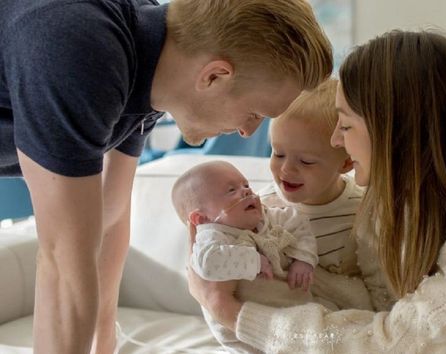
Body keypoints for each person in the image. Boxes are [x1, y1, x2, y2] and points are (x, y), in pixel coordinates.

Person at [187, 30, 446, 353]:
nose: (334, 141)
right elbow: (378, 307)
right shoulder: (405, 199)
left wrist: (234, 312)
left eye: (345, 125)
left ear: (392, 130)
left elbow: (399, 342)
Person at [0, 0, 332, 352]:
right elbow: (64, 265)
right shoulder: (83, 51)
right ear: (215, 76)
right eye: (254, 112)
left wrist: (103, 345)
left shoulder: (150, 63)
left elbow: (108, 221)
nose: (249, 132)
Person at [259, 78, 393, 311]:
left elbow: (376, 291)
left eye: (306, 161)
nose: (286, 169)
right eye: (278, 154)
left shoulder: (362, 212)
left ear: (346, 163)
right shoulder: (262, 204)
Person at [172, 160, 319, 353]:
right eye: (231, 190)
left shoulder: (267, 216)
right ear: (201, 218)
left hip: (288, 307)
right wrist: (254, 260)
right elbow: (207, 263)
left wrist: (303, 259)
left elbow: (298, 223)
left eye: (246, 185)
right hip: (241, 331)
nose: (246, 191)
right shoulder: (212, 236)